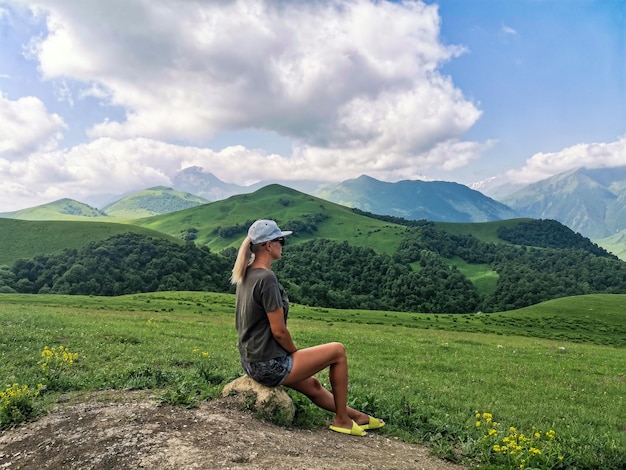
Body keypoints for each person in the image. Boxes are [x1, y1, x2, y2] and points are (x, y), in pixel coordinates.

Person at [231, 219, 384, 436]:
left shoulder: (246, 273)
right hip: (268, 365)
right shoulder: (267, 278)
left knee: (312, 385)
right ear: (268, 245)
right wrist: (294, 353)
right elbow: (279, 331)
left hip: (250, 362)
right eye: (281, 240)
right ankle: (342, 420)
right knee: (338, 351)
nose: (283, 245)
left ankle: (356, 416)